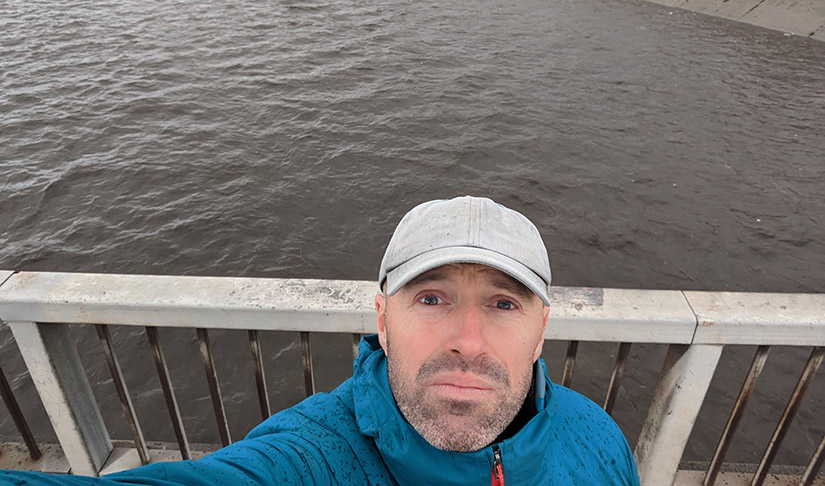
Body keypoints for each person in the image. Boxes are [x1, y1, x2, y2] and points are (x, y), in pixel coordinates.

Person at [0, 196, 639, 485]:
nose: (469, 342)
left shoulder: (598, 441)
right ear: (383, 321)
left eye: (503, 304)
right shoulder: (311, 459)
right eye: (432, 298)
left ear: (540, 331)